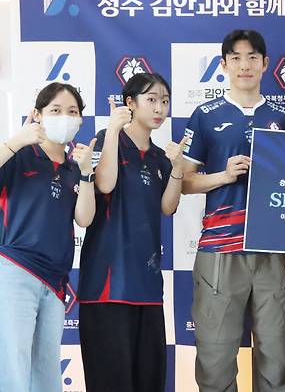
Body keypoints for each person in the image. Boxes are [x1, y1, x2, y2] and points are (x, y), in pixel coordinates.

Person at [181, 29, 285, 392]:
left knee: (278, 359)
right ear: (223, 65)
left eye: (252, 57)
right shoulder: (205, 115)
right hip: (220, 250)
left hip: (274, 251)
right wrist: (223, 175)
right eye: (235, 58)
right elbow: (184, 182)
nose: (244, 65)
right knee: (215, 360)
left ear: (265, 64)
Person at [77, 73, 186, 392]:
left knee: (149, 380)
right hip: (107, 286)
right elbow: (105, 184)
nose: (160, 108)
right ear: (130, 103)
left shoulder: (158, 157)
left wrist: (177, 168)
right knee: (112, 382)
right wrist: (112, 130)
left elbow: (168, 206)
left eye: (165, 101)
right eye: (151, 100)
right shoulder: (106, 138)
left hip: (148, 288)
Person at [0, 82, 95, 392]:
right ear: (37, 115)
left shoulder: (74, 167)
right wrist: (16, 141)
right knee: (13, 364)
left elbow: (84, 218)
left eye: (72, 111)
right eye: (55, 110)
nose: (64, 117)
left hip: (55, 280)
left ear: (80, 120)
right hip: (16, 270)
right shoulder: (19, 154)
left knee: (46, 369)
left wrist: (86, 173)